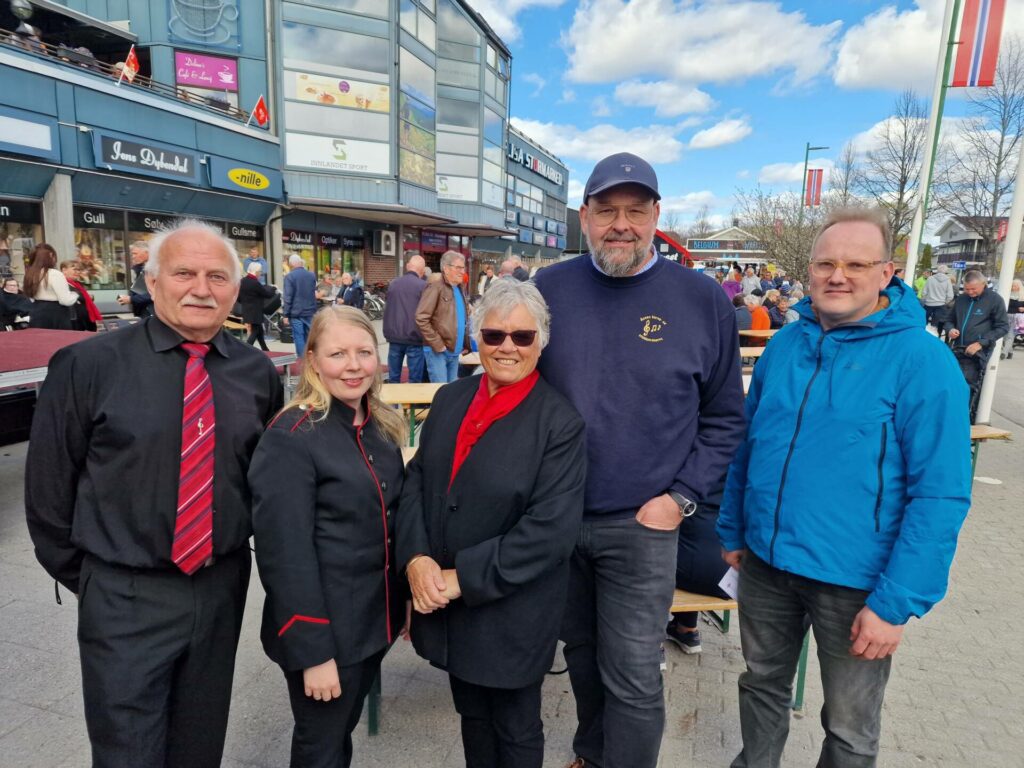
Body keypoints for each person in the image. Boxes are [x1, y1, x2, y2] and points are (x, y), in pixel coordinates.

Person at [25, 219, 284, 768]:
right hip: (124, 592)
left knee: (198, 743)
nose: (201, 288)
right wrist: (97, 579)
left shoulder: (256, 372)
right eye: (184, 272)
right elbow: (48, 491)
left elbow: (258, 478)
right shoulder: (88, 365)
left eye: (218, 276)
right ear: (153, 280)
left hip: (218, 588)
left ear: (236, 290)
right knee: (128, 752)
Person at [717, 207, 971, 768]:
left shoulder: (922, 362)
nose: (838, 275)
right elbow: (749, 446)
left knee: (850, 727)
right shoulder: (785, 346)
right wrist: (733, 529)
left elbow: (942, 494)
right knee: (761, 686)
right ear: (808, 271)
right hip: (766, 565)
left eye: (856, 264)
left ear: (886, 273)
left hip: (857, 584)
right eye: (826, 263)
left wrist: (897, 602)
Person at [533, 152, 746, 768]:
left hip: (645, 523)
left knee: (631, 671)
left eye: (634, 210)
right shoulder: (550, 289)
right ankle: (590, 754)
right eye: (606, 210)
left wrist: (679, 499)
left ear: (656, 215)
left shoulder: (702, 299)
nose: (619, 224)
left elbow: (726, 418)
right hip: (560, 515)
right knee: (581, 655)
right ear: (584, 216)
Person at [398, 279, 586, 768]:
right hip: (449, 604)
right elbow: (416, 481)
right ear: (476, 338)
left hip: (510, 609)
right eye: (493, 335)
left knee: (515, 727)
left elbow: (550, 530)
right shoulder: (450, 398)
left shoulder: (559, 423)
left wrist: (463, 578)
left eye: (522, 337)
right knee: (473, 717)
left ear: (540, 343)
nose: (507, 347)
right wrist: (415, 557)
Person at [249, 306, 405, 768]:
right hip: (326, 633)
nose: (353, 365)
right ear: (313, 361)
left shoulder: (379, 425)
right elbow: (285, 554)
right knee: (320, 746)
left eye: (363, 352)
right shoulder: (292, 436)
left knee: (338, 736)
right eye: (338, 353)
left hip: (372, 623)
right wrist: (313, 653)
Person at [945, 270, 1009, 420]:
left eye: (974, 289)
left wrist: (981, 343)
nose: (970, 292)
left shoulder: (995, 300)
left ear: (983, 284)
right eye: (967, 289)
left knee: (968, 384)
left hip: (977, 351)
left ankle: (964, 418)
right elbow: (949, 320)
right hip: (957, 348)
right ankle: (950, 415)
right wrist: (950, 329)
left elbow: (1003, 327)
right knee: (951, 382)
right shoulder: (961, 299)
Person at [416, 249, 472, 383]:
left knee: (451, 393)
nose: (462, 271)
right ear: (446, 269)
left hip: (454, 351)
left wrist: (465, 344)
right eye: (458, 268)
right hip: (438, 352)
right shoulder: (435, 288)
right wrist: (438, 344)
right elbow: (421, 317)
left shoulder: (459, 289)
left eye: (463, 268)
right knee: (440, 391)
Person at [383, 253, 427, 384]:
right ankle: (414, 405)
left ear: (408, 267)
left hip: (394, 337)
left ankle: (393, 405)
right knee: (414, 379)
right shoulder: (423, 286)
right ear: (422, 271)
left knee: (394, 377)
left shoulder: (393, 284)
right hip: (414, 338)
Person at [23, 243, 79, 329]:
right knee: (61, 341)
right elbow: (65, 300)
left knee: (41, 341)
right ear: (51, 255)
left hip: (37, 311)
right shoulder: (54, 274)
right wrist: (76, 295)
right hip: (56, 313)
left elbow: (30, 297)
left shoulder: (30, 274)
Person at [283, 254, 318, 357]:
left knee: (299, 336)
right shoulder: (311, 275)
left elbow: (288, 297)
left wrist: (286, 314)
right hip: (310, 311)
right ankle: (311, 357)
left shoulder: (289, 277)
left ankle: (302, 360)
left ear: (291, 264)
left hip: (296, 312)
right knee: (310, 336)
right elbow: (313, 292)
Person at [238, 262, 277, 351]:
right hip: (256, 312)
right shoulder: (255, 283)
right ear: (256, 272)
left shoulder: (242, 281)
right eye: (260, 271)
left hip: (247, 310)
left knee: (260, 333)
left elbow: (238, 298)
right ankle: (245, 350)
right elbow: (267, 294)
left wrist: (246, 302)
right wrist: (274, 288)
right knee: (255, 332)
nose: (260, 273)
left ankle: (265, 350)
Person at [116, 241, 154, 317]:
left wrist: (131, 299)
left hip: (152, 313)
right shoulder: (140, 269)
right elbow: (140, 290)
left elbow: (155, 293)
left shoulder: (155, 269)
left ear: (147, 253)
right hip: (144, 312)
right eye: (132, 254)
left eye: (135, 253)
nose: (133, 256)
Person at [60, 260, 101, 331]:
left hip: (85, 322)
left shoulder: (78, 284)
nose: (78, 272)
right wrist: (85, 297)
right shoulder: (62, 285)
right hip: (74, 323)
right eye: (74, 269)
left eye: (79, 270)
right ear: (64, 270)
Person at [1000, 278, 1023, 359]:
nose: (1014, 287)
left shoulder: (1022, 295)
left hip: (1017, 318)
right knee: (1005, 335)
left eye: (1016, 286)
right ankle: (1010, 351)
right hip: (1006, 316)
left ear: (1019, 286)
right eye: (1013, 286)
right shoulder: (1007, 294)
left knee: (1010, 335)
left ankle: (1004, 353)